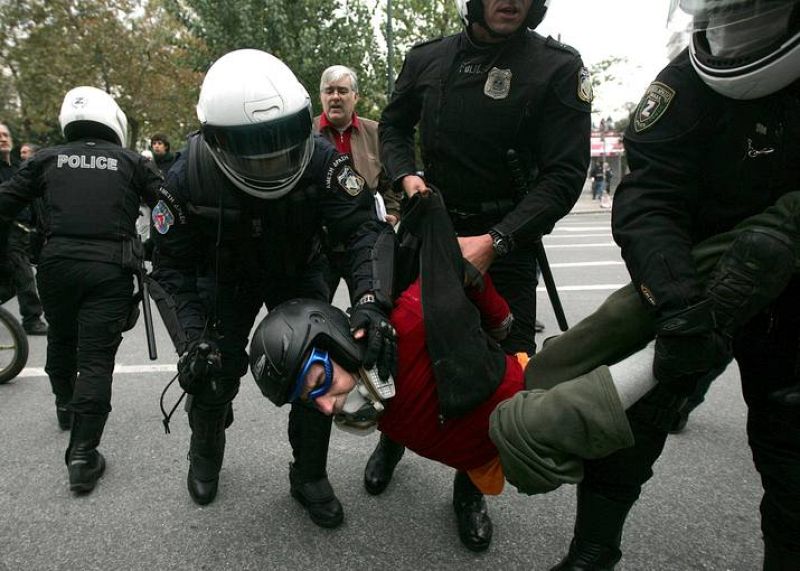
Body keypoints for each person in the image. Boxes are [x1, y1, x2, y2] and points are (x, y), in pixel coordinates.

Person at [250, 188, 798, 559]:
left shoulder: (414, 316)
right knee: (529, 426)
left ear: (340, 342)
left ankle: (772, 227)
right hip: (503, 434)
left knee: (621, 315)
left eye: (319, 383)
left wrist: (501, 318)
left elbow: (460, 276)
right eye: (308, 400)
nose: (324, 407)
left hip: (517, 386)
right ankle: (672, 355)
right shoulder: (364, 392)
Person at [550, 2, 800, 569]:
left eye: (757, 7)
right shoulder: (679, 86)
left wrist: (784, 240)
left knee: (790, 450)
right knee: (633, 420)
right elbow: (647, 198)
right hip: (696, 280)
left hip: (792, 294)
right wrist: (675, 298)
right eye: (729, 8)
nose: (740, 22)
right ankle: (592, 551)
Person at [375, 0, 591, 550]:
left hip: (507, 240)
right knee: (393, 352)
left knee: (497, 379)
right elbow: (394, 129)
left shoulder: (557, 67)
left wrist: (498, 241)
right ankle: (391, 440)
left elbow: (565, 173)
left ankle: (468, 486)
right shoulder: (427, 58)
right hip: (432, 232)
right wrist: (405, 176)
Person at [150, 49, 396, 529]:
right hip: (223, 278)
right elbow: (169, 269)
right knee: (211, 369)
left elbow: (365, 230)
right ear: (218, 142)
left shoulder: (322, 159)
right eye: (256, 150)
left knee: (318, 362)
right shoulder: (186, 176)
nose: (274, 161)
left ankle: (308, 474)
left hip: (297, 270)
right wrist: (190, 340)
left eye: (283, 144)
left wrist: (371, 301)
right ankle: (205, 452)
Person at [0, 86, 161, 493]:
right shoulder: (131, 162)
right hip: (109, 269)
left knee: (62, 338)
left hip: (56, 266)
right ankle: (82, 456)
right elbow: (170, 205)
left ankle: (63, 405)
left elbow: (5, 200)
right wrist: (157, 249)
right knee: (94, 359)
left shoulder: (45, 159)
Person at [313, 65, 402, 300]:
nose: (335, 97)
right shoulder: (306, 135)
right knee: (313, 314)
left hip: (365, 241)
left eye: (342, 91)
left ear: (355, 96)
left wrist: (393, 212)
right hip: (319, 246)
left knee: (371, 308)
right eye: (329, 91)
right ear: (320, 96)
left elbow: (390, 182)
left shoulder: (376, 133)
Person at [0, 123, 47, 335]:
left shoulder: (18, 168)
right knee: (24, 274)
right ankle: (32, 319)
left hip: (24, 232)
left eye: (5, 134)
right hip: (7, 231)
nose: (2, 138)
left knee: (8, 284)